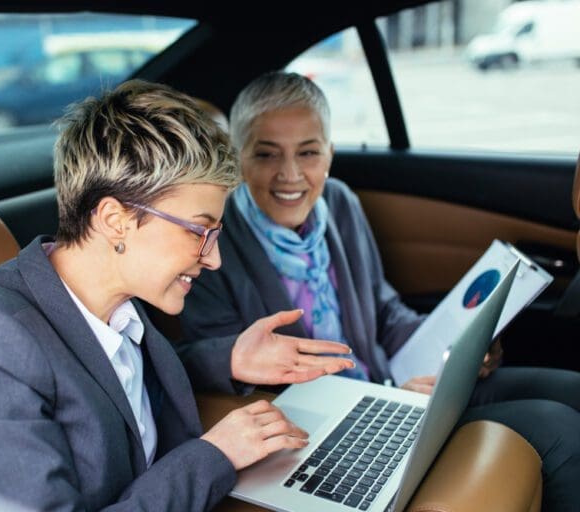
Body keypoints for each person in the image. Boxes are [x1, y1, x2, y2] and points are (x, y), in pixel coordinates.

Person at [0, 79, 357, 511]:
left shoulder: (119, 304)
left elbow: (121, 383)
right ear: (115, 220)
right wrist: (213, 456)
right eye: (201, 230)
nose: (215, 258)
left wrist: (233, 358)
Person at [179, 71, 580, 511]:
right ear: (238, 159)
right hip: (339, 422)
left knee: (571, 390)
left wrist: (455, 345)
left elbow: (384, 310)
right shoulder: (217, 244)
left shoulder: (340, 205)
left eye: (308, 152)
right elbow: (226, 372)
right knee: (557, 429)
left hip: (391, 383)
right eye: (266, 154)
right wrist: (382, 398)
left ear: (329, 154)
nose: (289, 174)